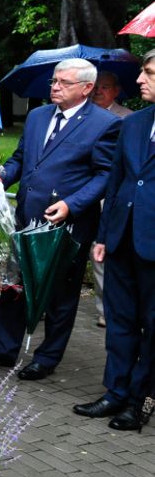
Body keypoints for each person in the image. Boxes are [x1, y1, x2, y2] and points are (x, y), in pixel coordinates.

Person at [0, 59, 120, 379]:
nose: (55, 87)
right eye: (54, 81)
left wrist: (72, 204)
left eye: (64, 83)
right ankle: (3, 347)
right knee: (14, 285)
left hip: (67, 225)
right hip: (27, 217)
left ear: (86, 88)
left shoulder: (104, 124)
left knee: (61, 295)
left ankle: (47, 357)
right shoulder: (38, 116)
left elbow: (105, 175)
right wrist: (0, 177)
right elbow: (21, 159)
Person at [73, 51, 155, 431]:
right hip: (122, 238)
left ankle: (140, 401)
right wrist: (104, 235)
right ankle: (115, 392)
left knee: (152, 326)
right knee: (120, 321)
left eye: (149, 72)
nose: (140, 79)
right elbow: (118, 180)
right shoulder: (134, 123)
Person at [89, 70, 133, 326]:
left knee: (101, 253)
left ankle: (106, 311)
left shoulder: (128, 118)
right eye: (96, 86)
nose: (98, 91)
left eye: (104, 87)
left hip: (110, 195)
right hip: (83, 193)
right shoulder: (84, 116)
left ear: (116, 91)